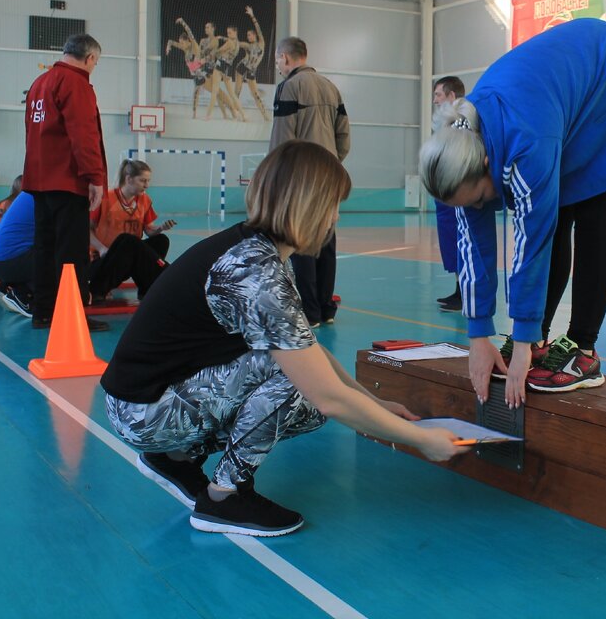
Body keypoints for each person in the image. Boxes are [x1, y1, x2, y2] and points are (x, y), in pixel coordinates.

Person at [101, 140, 464, 537]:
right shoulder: (255, 272)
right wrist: (421, 441)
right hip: (143, 412)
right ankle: (224, 496)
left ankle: (175, 456)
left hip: (151, 396)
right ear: (308, 206)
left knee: (304, 390)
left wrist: (376, 403)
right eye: (332, 206)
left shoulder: (258, 252)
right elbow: (326, 393)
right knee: (302, 388)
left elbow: (312, 352)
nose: (335, 219)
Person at [419, 19, 606, 409]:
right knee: (557, 213)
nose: (479, 209)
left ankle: (584, 347)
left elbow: (532, 241)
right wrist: (478, 336)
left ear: (487, 162)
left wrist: (520, 342)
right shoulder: (462, 143)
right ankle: (539, 336)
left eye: (479, 200)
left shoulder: (526, 142)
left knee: (591, 208)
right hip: (562, 91)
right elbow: (472, 243)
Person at [23, 33, 110, 333]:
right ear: (89, 58)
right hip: (68, 181)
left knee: (45, 248)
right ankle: (73, 316)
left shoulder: (39, 84)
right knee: (72, 253)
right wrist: (94, 177)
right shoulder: (76, 84)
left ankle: (43, 311)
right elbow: (84, 135)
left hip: (38, 179)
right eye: (95, 62)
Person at [269, 36, 350, 327]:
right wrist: (332, 162)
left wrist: (276, 176)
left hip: (301, 177)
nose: (278, 65)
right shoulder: (331, 88)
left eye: (278, 60)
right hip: (329, 175)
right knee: (326, 241)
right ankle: (327, 308)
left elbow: (282, 138)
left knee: (301, 242)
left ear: (286, 58)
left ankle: (309, 312)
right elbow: (344, 135)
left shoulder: (289, 87)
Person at [88, 159, 177, 302]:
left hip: (125, 259)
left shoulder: (145, 200)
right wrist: (102, 248)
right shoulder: (105, 198)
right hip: (102, 260)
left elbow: (149, 231)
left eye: (148, 181)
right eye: (143, 181)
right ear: (129, 179)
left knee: (161, 240)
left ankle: (147, 287)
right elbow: (86, 230)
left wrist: (161, 228)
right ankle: (98, 289)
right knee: (128, 240)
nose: (147, 185)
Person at [430, 76, 466, 312]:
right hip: (445, 191)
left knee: (462, 241)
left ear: (452, 96)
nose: (435, 100)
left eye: (438, 95)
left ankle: (467, 292)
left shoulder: (463, 120)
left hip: (458, 190)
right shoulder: (445, 122)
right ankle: (459, 289)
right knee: (451, 241)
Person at [0, 190, 37, 318]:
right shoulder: (46, 195)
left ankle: (4, 286)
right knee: (58, 257)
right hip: (9, 262)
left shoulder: (26, 196)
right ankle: (21, 294)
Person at [233, 6, 270, 120]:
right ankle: (235, 112)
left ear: (255, 35)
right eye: (247, 35)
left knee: (256, 95)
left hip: (251, 71)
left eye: (250, 35)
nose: (248, 37)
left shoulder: (261, 44)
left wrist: (252, 16)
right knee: (237, 91)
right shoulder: (248, 46)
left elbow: (258, 29)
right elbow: (237, 44)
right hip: (242, 67)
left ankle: (265, 116)